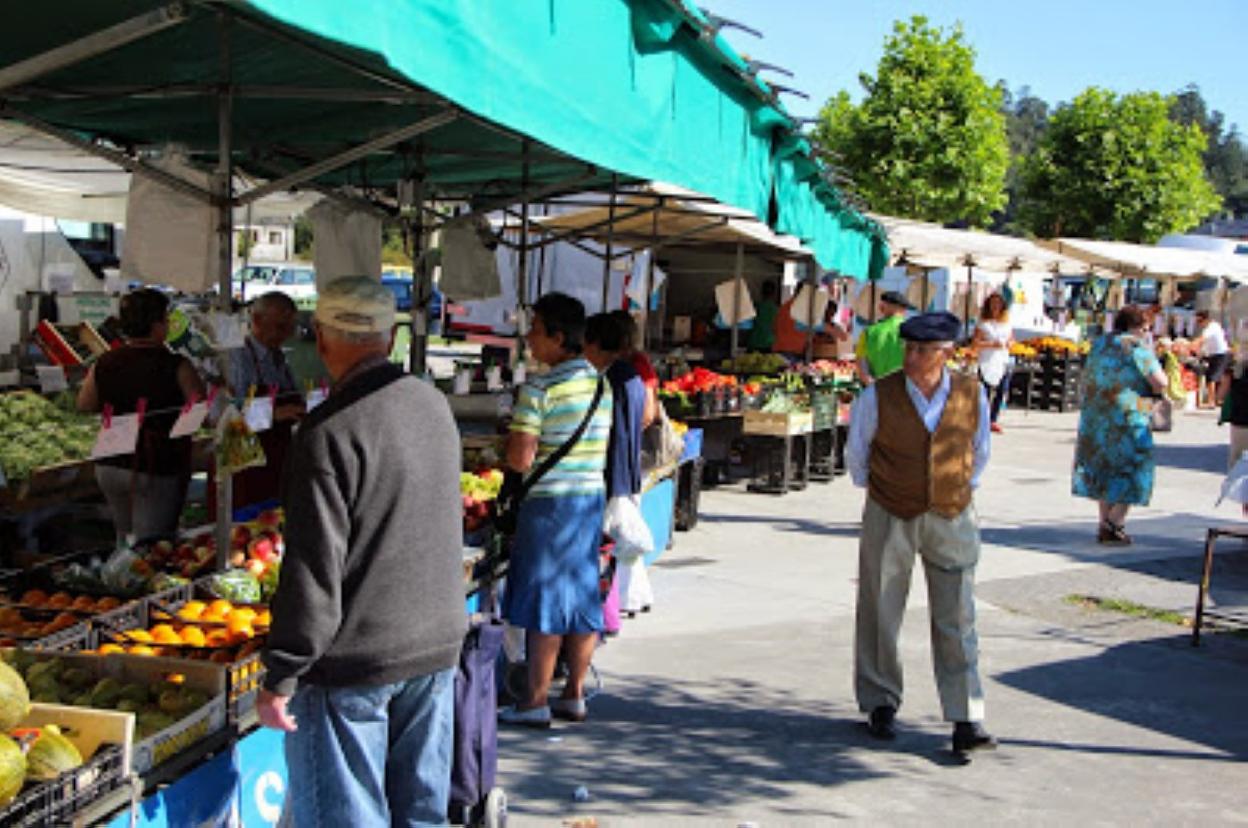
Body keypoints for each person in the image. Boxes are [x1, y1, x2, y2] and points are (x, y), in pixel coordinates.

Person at [257, 276, 465, 826]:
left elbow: (312, 567)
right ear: (392, 336)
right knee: (420, 816)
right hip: (435, 646)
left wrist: (282, 673)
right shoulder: (433, 405)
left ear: (321, 340)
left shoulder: (327, 432)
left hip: (356, 663)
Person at [846, 310, 996, 754]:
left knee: (958, 614)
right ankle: (880, 701)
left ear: (946, 353)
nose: (912, 357)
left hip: (952, 513)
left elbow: (980, 450)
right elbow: (858, 452)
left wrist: (954, 488)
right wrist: (886, 488)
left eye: (923, 351)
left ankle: (966, 715)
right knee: (880, 606)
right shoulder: (879, 395)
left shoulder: (971, 393)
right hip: (890, 508)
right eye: (910, 349)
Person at [499, 293, 613, 728]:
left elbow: (521, 459)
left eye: (536, 328)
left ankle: (534, 701)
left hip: (549, 504)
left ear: (558, 337)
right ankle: (575, 694)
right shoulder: (602, 386)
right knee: (582, 594)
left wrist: (507, 445)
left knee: (545, 599)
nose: (529, 337)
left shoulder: (539, 389)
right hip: (588, 502)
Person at [77, 288, 205, 541]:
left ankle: (116, 579)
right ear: (156, 325)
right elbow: (198, 410)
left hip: (110, 461)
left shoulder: (104, 362)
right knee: (150, 545)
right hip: (155, 462)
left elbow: (84, 404)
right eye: (166, 320)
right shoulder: (176, 365)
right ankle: (133, 579)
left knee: (122, 539)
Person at [1071, 305, 1168, 546]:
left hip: (1096, 416)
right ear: (1140, 326)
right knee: (1135, 468)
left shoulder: (1100, 343)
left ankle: (1105, 524)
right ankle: (1115, 521)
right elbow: (1160, 381)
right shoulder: (1136, 347)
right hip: (1128, 416)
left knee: (1104, 469)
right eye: (1146, 328)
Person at [586, 313, 652, 615]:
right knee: (624, 548)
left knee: (612, 549)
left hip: (616, 475)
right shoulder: (631, 376)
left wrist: (612, 483)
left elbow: (614, 434)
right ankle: (630, 602)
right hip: (627, 473)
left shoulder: (612, 379)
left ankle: (613, 611)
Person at [225, 291, 304, 510]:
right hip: (245, 465)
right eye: (280, 327)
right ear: (257, 320)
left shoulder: (278, 358)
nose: (286, 334)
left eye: (290, 328)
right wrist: (276, 414)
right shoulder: (238, 358)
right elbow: (228, 415)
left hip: (275, 462)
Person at [972, 293, 1013, 434]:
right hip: (987, 360)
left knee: (1001, 390)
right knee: (985, 392)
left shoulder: (1007, 323)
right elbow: (975, 343)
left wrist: (1009, 343)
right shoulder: (983, 324)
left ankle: (993, 419)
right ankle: (982, 419)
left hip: (1002, 360)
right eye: (993, 303)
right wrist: (991, 344)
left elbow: (1011, 340)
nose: (996, 306)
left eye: (998, 304)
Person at [854, 291, 911, 385]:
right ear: (903, 310)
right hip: (905, 387)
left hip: (878, 388)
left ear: (882, 307)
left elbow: (861, 363)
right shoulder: (912, 331)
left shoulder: (869, 332)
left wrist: (871, 383)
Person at [1194, 310, 1230, 408]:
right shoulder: (1210, 328)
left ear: (1206, 319)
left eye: (1199, 321)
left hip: (1220, 354)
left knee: (1212, 377)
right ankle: (1215, 399)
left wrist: (1191, 345)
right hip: (1212, 354)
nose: (1199, 324)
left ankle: (1212, 401)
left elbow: (1202, 339)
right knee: (1214, 376)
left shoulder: (1212, 328)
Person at [747, 279, 779, 352]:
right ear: (774, 293)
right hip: (769, 344)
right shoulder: (777, 310)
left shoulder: (755, 308)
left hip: (753, 343)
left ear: (761, 292)